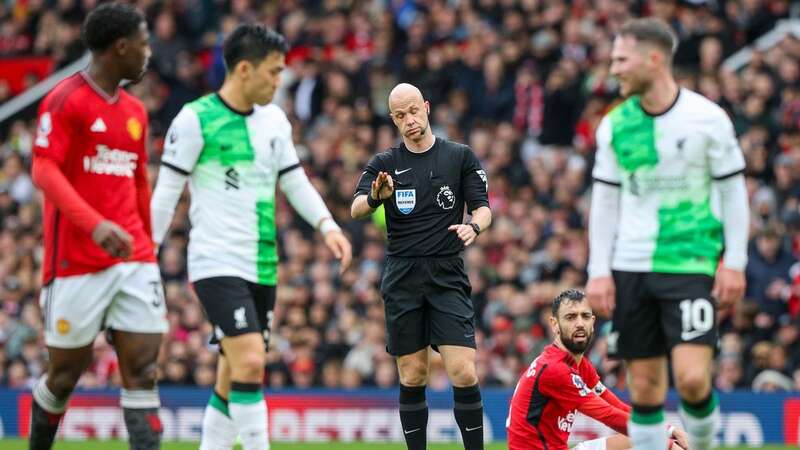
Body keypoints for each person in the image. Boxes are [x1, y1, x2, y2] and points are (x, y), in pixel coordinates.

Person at [150, 24, 352, 450]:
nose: (279, 82)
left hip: (262, 264)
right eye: (273, 72)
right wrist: (144, 255)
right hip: (215, 261)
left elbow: (294, 182)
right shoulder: (195, 119)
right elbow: (166, 193)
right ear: (244, 69)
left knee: (230, 374)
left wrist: (327, 225)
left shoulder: (274, 120)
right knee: (251, 361)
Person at [586, 18, 749, 450]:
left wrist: (734, 261)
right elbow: (604, 203)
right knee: (644, 388)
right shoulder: (615, 125)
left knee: (694, 380)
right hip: (631, 265)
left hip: (690, 261)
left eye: (622, 59)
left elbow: (734, 193)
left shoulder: (708, 119)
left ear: (653, 59)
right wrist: (598, 271)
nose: (614, 69)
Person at [29, 3, 166, 449]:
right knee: (65, 376)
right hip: (76, 261)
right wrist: (95, 226)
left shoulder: (135, 111)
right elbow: (44, 171)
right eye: (143, 45)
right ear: (121, 47)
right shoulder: (66, 99)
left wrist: (148, 243)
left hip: (134, 259)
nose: (148, 54)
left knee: (144, 371)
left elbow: (138, 181)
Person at [351, 83, 492, 450]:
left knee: (463, 370)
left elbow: (483, 207)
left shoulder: (458, 156)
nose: (409, 120)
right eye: (400, 115)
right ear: (394, 120)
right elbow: (355, 208)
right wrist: (375, 197)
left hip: (447, 272)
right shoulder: (385, 164)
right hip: (403, 275)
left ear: (426, 108)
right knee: (412, 375)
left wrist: (473, 226)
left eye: (414, 111)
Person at [506, 289, 689, 450]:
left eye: (585, 316)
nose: (579, 323)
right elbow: (608, 415)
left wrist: (669, 430)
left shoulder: (579, 364)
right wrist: (665, 440)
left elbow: (614, 404)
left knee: (641, 441)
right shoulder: (555, 369)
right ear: (554, 324)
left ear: (593, 322)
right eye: (570, 317)